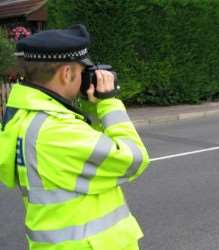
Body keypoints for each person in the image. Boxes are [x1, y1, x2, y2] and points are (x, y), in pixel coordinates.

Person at [0, 24, 150, 249]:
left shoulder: (23, 116)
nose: (84, 78)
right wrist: (109, 102)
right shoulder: (57, 131)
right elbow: (134, 159)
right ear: (67, 73)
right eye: (82, 72)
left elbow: (84, 149)